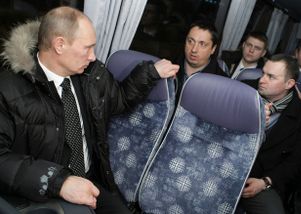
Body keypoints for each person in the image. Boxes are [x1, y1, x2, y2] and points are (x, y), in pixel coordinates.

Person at [0, 6, 179, 214]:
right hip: (41, 191)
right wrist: (58, 182)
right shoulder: (8, 88)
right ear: (60, 45)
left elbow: (118, 99)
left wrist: (150, 72)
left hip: (91, 179)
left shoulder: (91, 73)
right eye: (87, 48)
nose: (93, 56)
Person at [237, 54, 301, 214]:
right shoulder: (243, 90)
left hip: (261, 179)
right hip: (227, 163)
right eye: (263, 73)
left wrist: (265, 182)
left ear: (289, 83)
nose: (262, 80)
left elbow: (296, 163)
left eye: (271, 77)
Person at [175, 20, 228, 101]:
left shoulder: (223, 84)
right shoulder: (169, 65)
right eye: (190, 41)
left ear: (213, 49)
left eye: (202, 44)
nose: (194, 49)